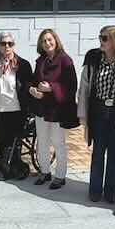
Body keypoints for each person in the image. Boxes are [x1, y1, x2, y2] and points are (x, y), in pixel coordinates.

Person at [77, 26, 115, 203]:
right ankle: (95, 190)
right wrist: (82, 114)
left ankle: (111, 190)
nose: (101, 41)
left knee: (114, 152)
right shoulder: (94, 58)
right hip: (98, 110)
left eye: (105, 38)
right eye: (100, 37)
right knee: (97, 151)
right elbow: (84, 87)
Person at [29, 29, 78, 190]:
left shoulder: (65, 60)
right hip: (41, 108)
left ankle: (60, 176)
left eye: (50, 39)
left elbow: (71, 86)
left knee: (58, 143)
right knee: (42, 142)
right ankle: (45, 172)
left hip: (58, 110)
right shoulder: (40, 61)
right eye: (44, 41)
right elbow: (34, 81)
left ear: (56, 40)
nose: (47, 43)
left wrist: (52, 88)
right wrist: (33, 90)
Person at [0, 32, 33, 180]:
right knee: (1, 139)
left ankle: (11, 168)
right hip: (1, 107)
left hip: (17, 108)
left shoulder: (23, 64)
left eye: (10, 43)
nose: (6, 46)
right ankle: (6, 166)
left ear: (13, 45)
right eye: (3, 43)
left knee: (14, 141)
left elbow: (27, 87)